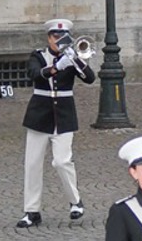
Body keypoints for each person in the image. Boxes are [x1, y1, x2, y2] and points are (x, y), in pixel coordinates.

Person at [19, 19, 97, 227]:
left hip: (64, 115)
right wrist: (55, 67)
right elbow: (34, 74)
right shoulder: (38, 56)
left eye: (63, 37)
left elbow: (90, 78)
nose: (58, 41)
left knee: (62, 161)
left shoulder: (71, 57)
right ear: (48, 38)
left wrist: (76, 60)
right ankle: (32, 211)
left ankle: (75, 202)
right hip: (39, 115)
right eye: (55, 37)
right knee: (33, 164)